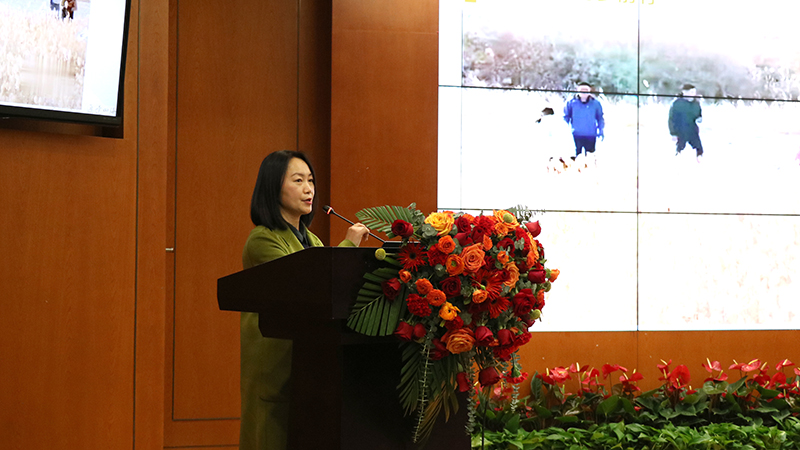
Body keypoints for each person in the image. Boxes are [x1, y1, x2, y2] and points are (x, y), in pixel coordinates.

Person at [240, 150, 369, 450]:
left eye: (310, 180)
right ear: (273, 187)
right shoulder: (263, 239)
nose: (309, 189)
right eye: (298, 181)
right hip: (276, 364)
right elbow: (305, 286)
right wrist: (349, 245)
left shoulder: (312, 240)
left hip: (309, 366)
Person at [563, 82, 605, 162]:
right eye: (582, 90)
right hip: (575, 135)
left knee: (590, 159)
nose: (584, 92)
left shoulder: (596, 103)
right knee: (575, 159)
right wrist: (565, 131)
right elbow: (565, 117)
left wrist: (601, 130)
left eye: (586, 90)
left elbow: (600, 118)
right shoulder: (571, 103)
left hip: (590, 134)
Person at [668, 83, 704, 162]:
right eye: (691, 92)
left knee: (699, 149)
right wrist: (673, 133)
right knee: (679, 149)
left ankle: (700, 161)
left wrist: (699, 119)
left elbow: (698, 115)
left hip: (693, 130)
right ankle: (676, 161)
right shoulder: (677, 103)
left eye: (694, 92)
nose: (693, 94)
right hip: (680, 131)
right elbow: (671, 119)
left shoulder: (696, 103)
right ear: (685, 92)